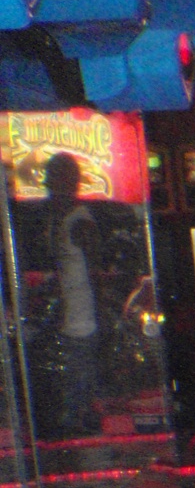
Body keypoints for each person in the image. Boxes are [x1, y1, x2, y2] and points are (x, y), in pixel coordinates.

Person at [44, 153, 101, 435]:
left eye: (53, 180)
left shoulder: (80, 223)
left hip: (82, 320)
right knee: (68, 384)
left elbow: (97, 274)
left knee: (79, 386)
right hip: (67, 317)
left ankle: (81, 431)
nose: (48, 187)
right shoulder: (59, 220)